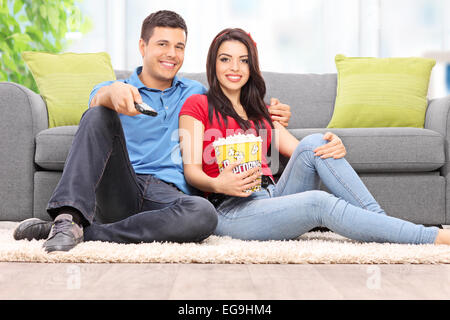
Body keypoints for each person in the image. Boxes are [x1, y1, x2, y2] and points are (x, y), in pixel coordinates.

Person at [13, 11, 292, 252]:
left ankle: (86, 232)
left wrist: (270, 113)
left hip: (169, 196)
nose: (171, 53)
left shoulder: (195, 94)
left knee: (204, 214)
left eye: (179, 46)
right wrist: (113, 92)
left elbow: (232, 107)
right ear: (142, 46)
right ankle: (68, 217)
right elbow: (99, 100)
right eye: (162, 44)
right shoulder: (119, 89)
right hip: (123, 185)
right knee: (98, 114)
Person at [178, 28, 450, 245]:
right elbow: (192, 172)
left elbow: (307, 152)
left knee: (317, 142)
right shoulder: (197, 105)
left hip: (271, 195)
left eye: (243, 60)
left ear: (251, 67)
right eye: (225, 59)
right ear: (213, 64)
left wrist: (332, 147)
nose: (234, 67)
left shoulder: (259, 111)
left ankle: (381, 225)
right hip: (231, 208)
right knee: (318, 203)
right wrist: (219, 184)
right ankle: (430, 237)